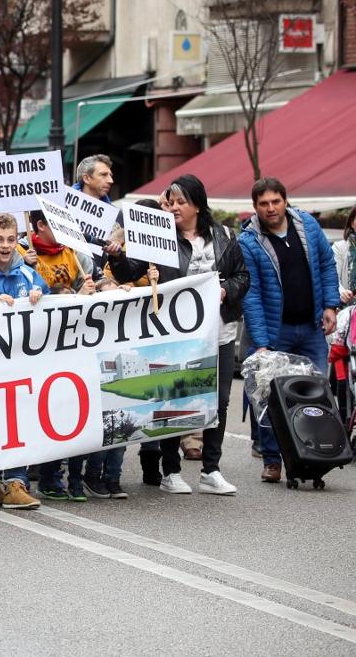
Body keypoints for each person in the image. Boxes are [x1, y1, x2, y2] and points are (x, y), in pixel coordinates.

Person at [109, 179, 248, 495]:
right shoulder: (161, 239)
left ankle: (211, 470)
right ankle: (170, 470)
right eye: (169, 202)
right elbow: (129, 272)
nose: (172, 208)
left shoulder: (225, 237)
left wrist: (227, 291)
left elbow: (243, 275)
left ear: (197, 205)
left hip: (220, 331)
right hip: (178, 333)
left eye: (179, 202)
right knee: (175, 399)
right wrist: (117, 258)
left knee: (219, 401)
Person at [239, 177, 339, 484]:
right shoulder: (249, 241)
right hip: (275, 331)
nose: (271, 208)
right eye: (264, 204)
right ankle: (272, 460)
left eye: (275, 202)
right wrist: (261, 342)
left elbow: (326, 264)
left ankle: (315, 457)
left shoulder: (307, 226)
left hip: (311, 328)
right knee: (273, 399)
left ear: (285, 200)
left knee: (317, 396)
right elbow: (251, 293)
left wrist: (330, 305)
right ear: (255, 207)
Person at [0, 213, 46, 511]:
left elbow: (49, 301)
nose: (5, 245)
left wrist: (41, 295)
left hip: (20, 363)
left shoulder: (28, 274)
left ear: (18, 241)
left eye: (11, 240)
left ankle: (17, 482)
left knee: (21, 420)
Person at [332, 204, 356, 306]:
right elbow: (332, 278)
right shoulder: (339, 248)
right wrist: (342, 292)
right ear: (351, 223)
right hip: (348, 311)